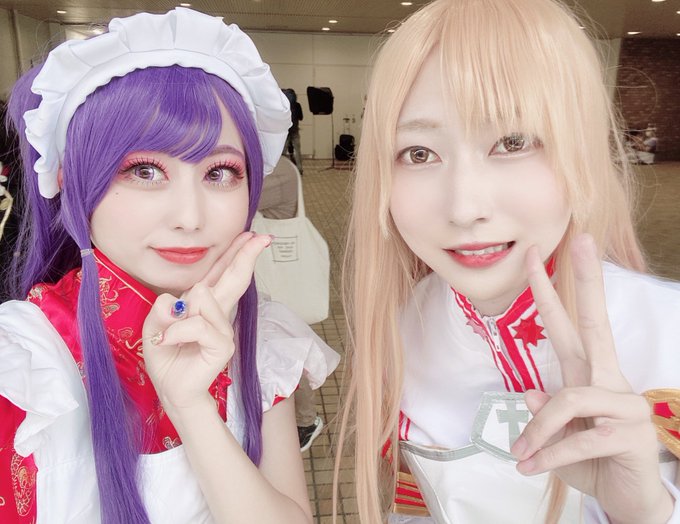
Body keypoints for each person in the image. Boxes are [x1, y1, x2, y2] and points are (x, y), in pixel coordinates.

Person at [337, 0, 680, 523]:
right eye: (419, 153)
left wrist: (645, 511)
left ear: (583, 151)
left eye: (512, 141)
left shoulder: (669, 332)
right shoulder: (402, 325)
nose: (464, 208)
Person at [0, 8, 339, 523]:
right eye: (143, 170)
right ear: (70, 181)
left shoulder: (261, 339)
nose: (190, 217)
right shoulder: (22, 364)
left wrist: (190, 405)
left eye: (220, 172)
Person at [258, 155, 326, 452]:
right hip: (271, 274)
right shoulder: (268, 164)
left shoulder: (276, 169)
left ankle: (306, 421)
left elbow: (237, 201)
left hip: (280, 276)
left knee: (289, 349)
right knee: (283, 346)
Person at [282, 89, 304, 174]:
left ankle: (282, 168)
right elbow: (301, 117)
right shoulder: (297, 105)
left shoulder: (283, 105)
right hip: (295, 130)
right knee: (297, 151)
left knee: (283, 152)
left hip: (286, 131)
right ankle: (300, 169)